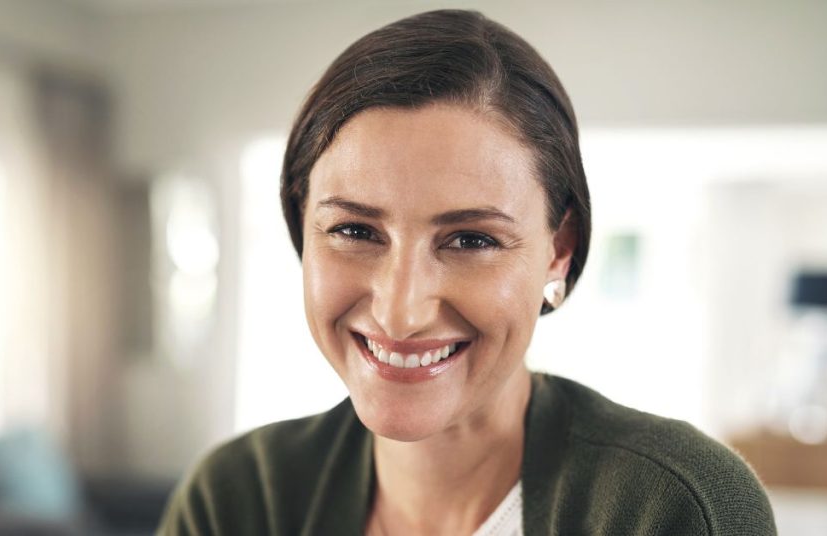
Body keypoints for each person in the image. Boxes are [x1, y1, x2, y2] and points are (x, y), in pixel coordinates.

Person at [158, 9, 777, 535]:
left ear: (558, 251)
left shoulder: (676, 507)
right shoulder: (235, 502)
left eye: (471, 239)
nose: (401, 310)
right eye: (354, 231)